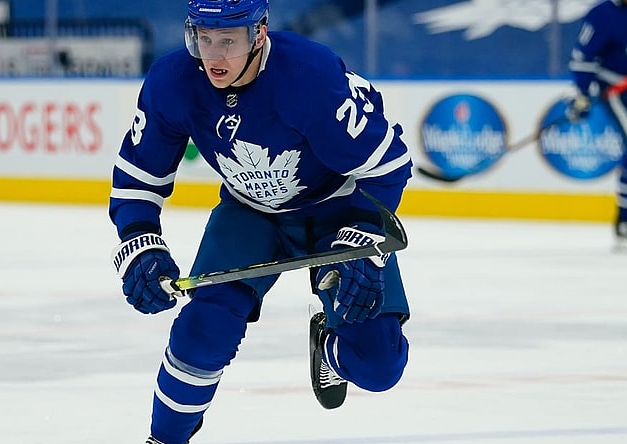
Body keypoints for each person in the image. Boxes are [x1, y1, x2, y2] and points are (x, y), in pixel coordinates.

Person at [108, 1, 413, 442]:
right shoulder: (173, 82)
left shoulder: (309, 77)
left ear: (260, 33)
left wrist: (367, 234)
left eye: (228, 40)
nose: (213, 56)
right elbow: (138, 178)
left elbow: (388, 165)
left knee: (379, 365)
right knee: (203, 329)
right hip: (251, 214)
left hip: (341, 207)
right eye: (203, 38)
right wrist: (139, 241)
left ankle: (329, 351)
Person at [567, 0, 627, 246]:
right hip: (620, 91)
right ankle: (625, 223)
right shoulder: (603, 14)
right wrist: (582, 93)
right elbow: (583, 55)